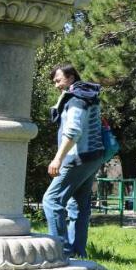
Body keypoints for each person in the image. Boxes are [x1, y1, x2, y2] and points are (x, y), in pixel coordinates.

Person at [41, 64, 105, 258]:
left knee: (51, 200)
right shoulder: (87, 96)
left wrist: (57, 159)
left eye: (58, 80)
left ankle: (58, 251)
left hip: (77, 158)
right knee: (78, 205)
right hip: (93, 157)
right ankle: (77, 253)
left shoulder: (77, 99)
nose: (56, 85)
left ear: (70, 78)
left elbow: (73, 132)